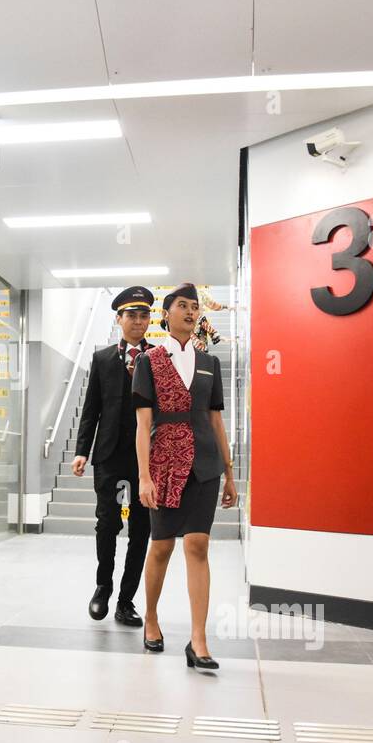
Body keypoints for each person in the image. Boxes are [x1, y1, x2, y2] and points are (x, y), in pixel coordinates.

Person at [131, 283, 238, 669]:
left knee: (198, 545)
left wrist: (229, 473)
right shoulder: (149, 361)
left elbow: (216, 420)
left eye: (195, 307)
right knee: (161, 546)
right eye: (183, 306)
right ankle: (152, 618)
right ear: (167, 314)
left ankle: (198, 640)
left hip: (205, 466)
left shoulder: (210, 362)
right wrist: (143, 477)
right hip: (163, 465)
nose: (191, 312)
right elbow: (143, 426)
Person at [71, 286, 156, 627]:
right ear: (118, 319)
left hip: (145, 460)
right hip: (108, 454)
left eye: (144, 315)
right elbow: (91, 409)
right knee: (107, 523)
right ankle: (102, 587)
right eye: (131, 315)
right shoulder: (102, 358)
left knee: (141, 528)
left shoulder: (158, 358)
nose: (138, 321)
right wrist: (81, 450)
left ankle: (126, 601)